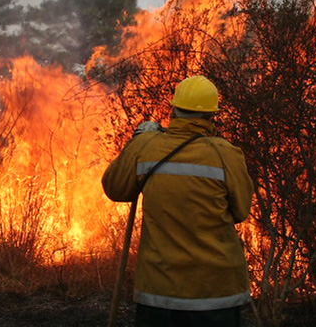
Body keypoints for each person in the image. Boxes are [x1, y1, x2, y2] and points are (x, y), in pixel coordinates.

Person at [102, 75, 255, 327]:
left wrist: (137, 140)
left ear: (173, 110)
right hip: (215, 293)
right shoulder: (226, 153)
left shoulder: (147, 147)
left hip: (160, 292)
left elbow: (116, 188)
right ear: (211, 115)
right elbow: (241, 211)